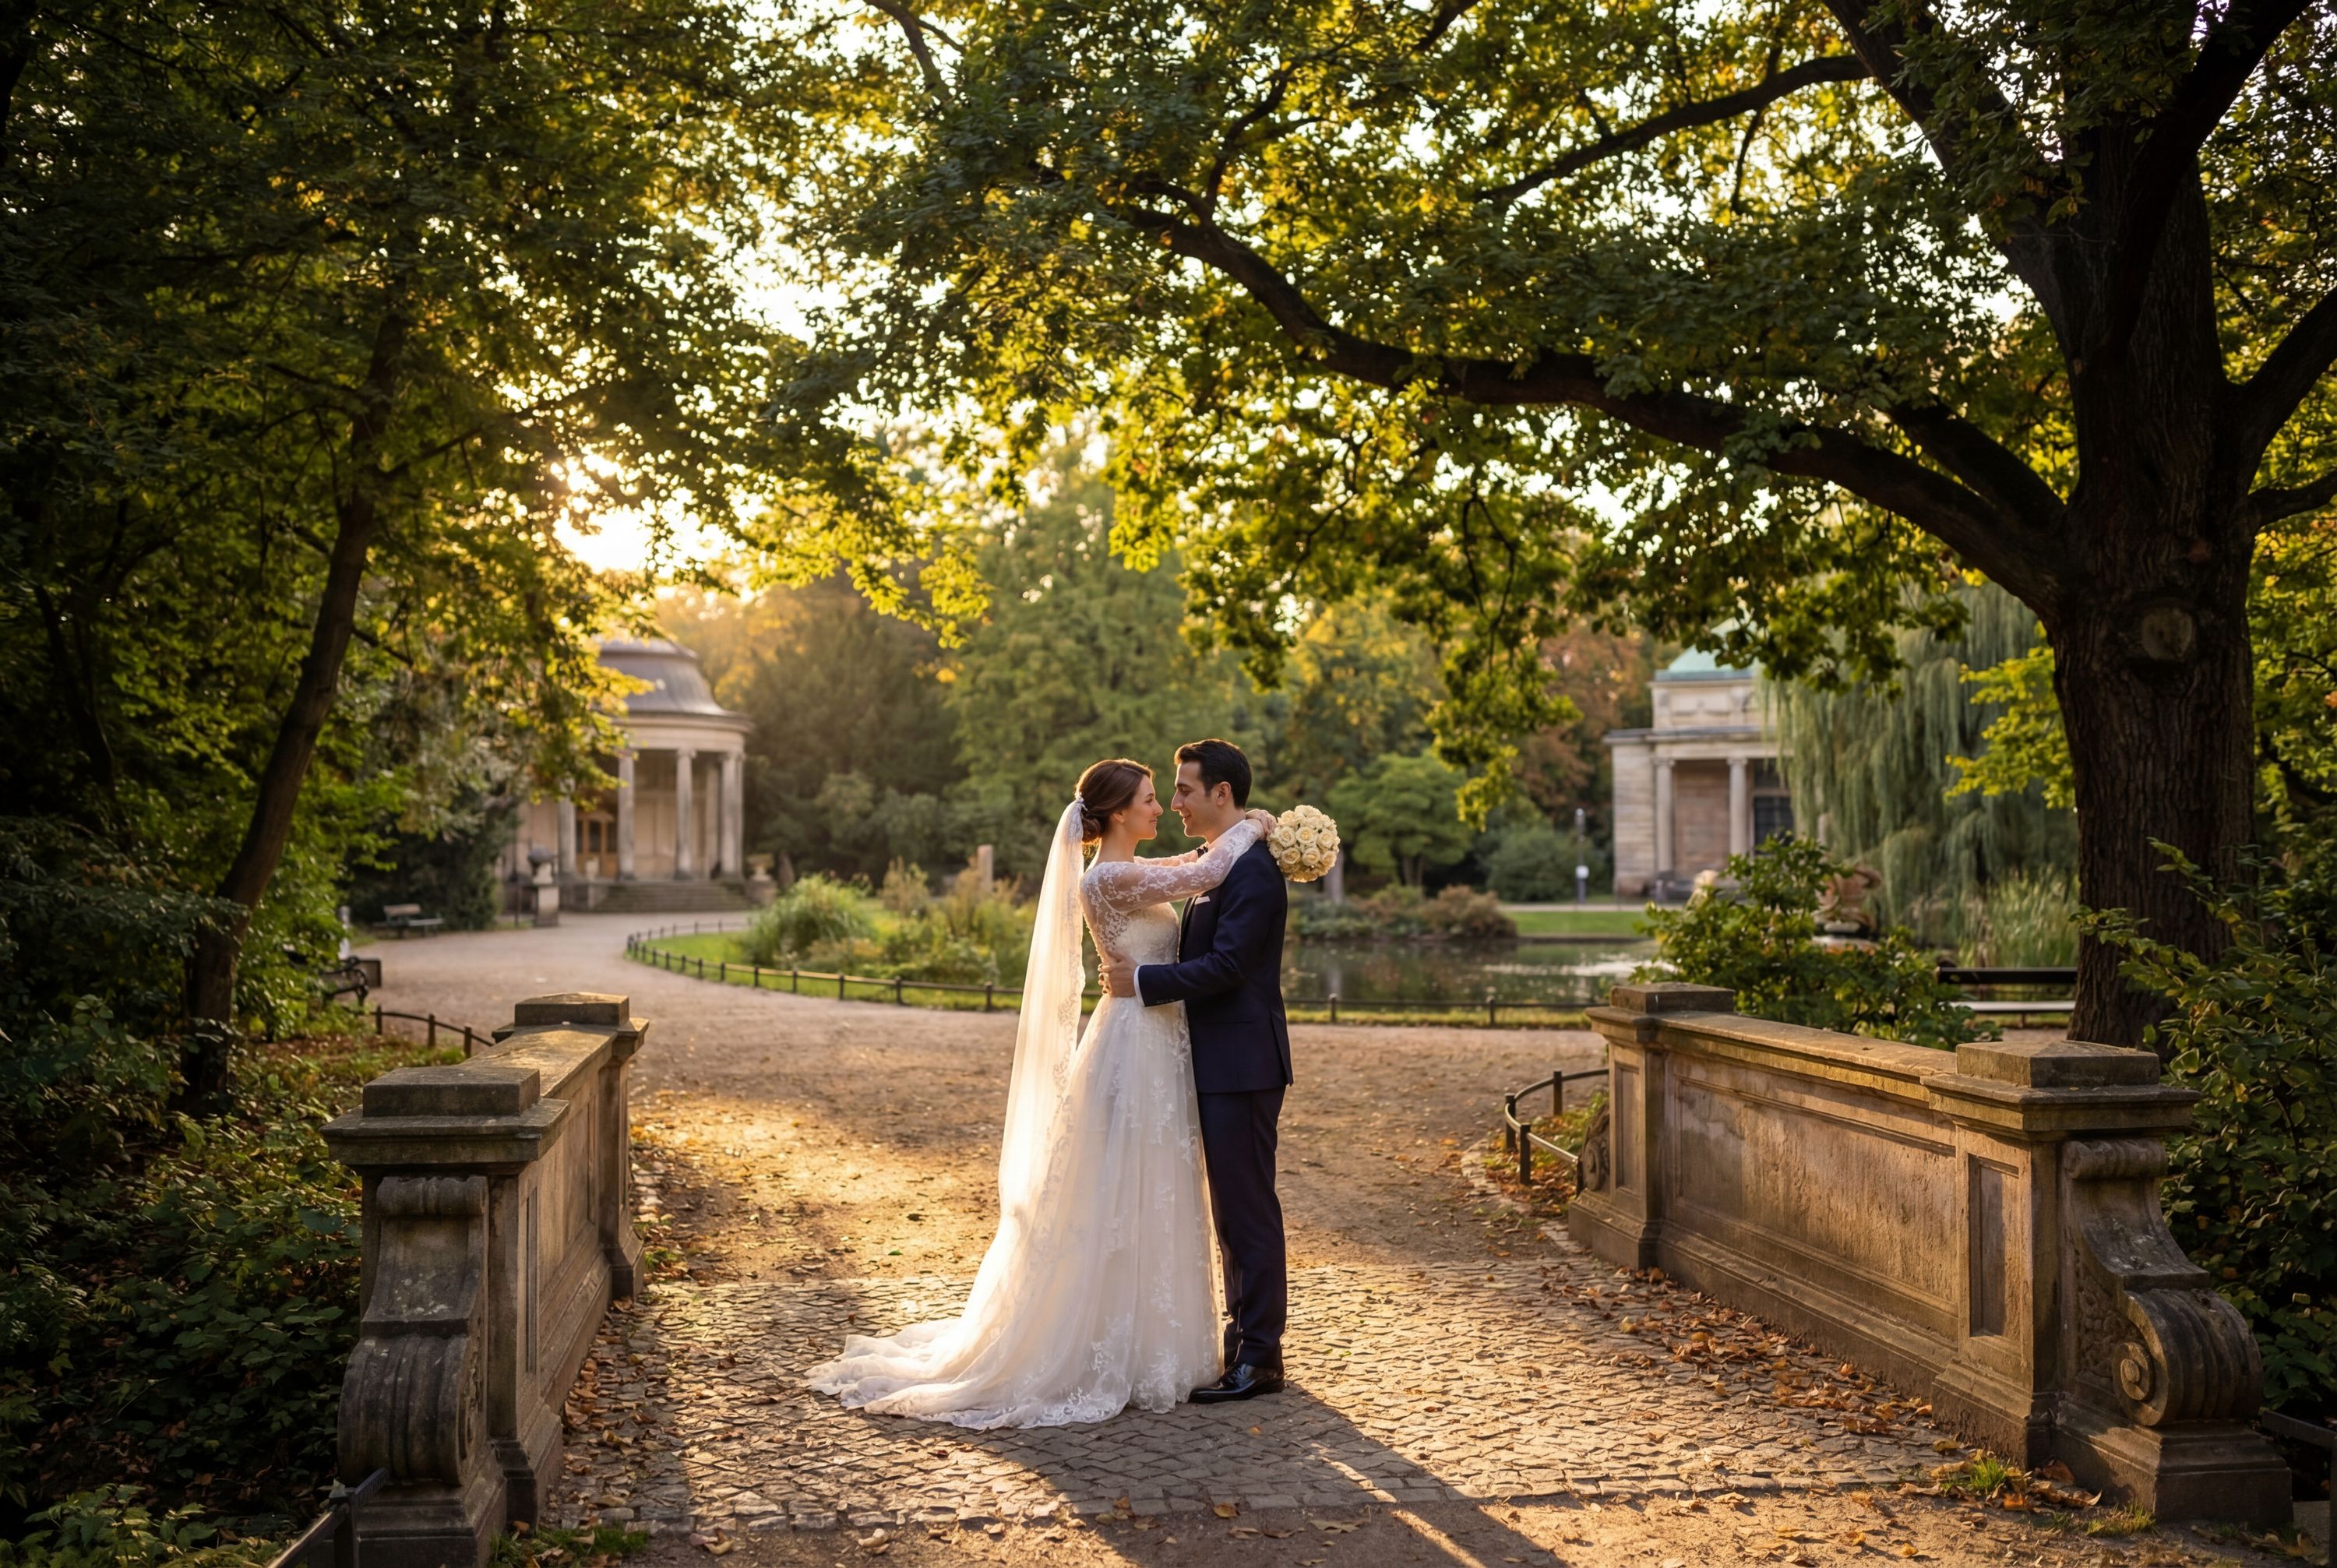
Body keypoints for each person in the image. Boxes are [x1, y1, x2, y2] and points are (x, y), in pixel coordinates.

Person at [805, 757, 1272, 1427]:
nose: (1161, 806)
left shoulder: (1131, 868)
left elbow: (1192, 861)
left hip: (1158, 1039)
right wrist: (1253, 826)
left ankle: (1157, 1339)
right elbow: (1204, 870)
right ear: (1117, 813)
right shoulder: (1106, 878)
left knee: (1157, 1182)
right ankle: (1111, 1341)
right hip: (1133, 1042)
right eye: (1149, 798)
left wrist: (1235, 835)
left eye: (1166, 794)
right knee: (1123, 1186)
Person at [1101, 738, 1292, 1404]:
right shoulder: (1220, 863)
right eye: (1169, 792)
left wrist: (1143, 981)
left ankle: (1260, 1356)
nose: (1176, 801)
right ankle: (1243, 1344)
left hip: (1243, 1062)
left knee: (1248, 1209)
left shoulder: (1252, 870)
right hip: (1214, 1062)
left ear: (1221, 793)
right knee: (1231, 1212)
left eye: (1184, 789)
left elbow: (1231, 966)